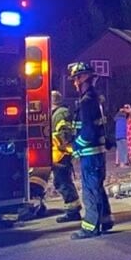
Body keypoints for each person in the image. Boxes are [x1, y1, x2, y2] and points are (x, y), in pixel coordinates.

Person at [67, 62, 114, 239]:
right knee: (97, 187)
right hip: (97, 153)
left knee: (90, 190)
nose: (74, 83)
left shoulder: (87, 102)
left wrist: (76, 147)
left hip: (90, 154)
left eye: (75, 79)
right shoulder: (95, 99)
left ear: (83, 78)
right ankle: (105, 220)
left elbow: (88, 132)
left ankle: (90, 227)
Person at [50, 90, 82, 223]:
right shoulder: (59, 113)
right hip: (60, 153)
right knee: (62, 181)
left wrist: (61, 146)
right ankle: (72, 210)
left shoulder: (60, 114)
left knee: (63, 181)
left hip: (61, 154)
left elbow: (64, 133)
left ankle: (73, 211)